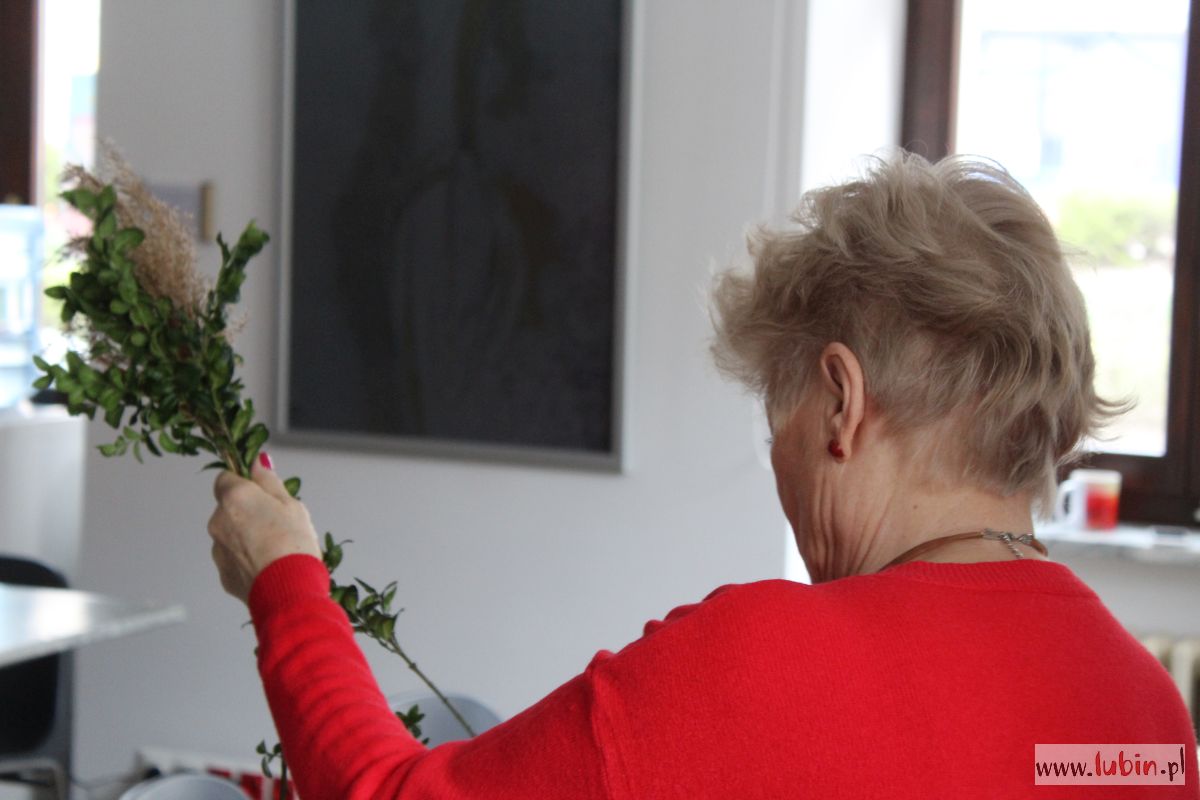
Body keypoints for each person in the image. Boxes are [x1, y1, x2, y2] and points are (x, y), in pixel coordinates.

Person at [209, 152, 1199, 798]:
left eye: (779, 419)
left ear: (843, 403)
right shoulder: (1146, 716)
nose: (779, 462)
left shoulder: (765, 664)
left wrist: (284, 579)